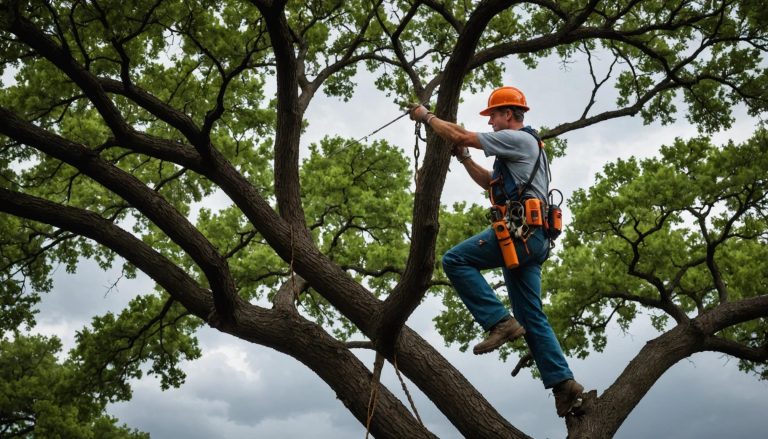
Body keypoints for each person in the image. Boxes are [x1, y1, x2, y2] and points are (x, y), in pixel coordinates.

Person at [409, 86, 584, 417]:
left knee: (455, 260)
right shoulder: (520, 150)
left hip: (522, 233)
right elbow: (490, 183)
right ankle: (564, 385)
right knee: (531, 316)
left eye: (492, 116)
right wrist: (464, 158)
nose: (490, 123)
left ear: (507, 114)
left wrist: (426, 116)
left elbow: (461, 134)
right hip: (534, 240)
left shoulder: (517, 139)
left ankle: (499, 322)